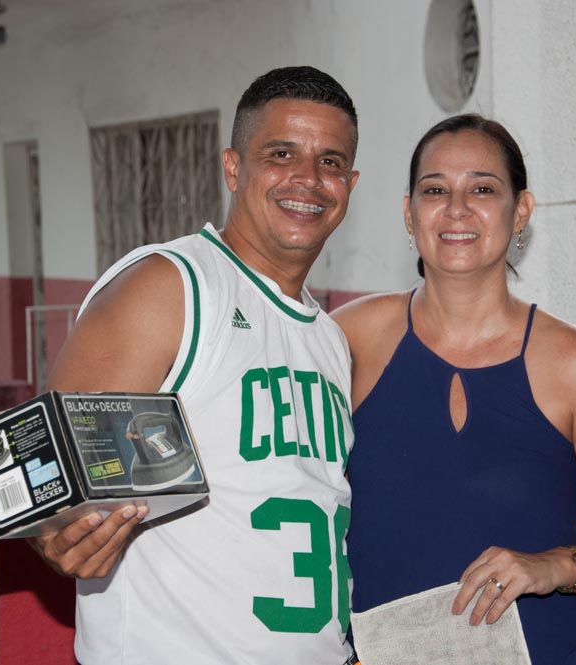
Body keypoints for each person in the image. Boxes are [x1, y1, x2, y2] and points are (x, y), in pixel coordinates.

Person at [31, 66, 361, 665]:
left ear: (351, 184)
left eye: (331, 162)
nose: (309, 179)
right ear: (233, 167)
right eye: (281, 154)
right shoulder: (172, 286)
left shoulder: (330, 340)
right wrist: (60, 531)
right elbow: (48, 473)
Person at [334, 114, 576, 664]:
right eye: (435, 190)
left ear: (521, 211)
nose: (457, 208)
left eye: (483, 189)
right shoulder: (350, 339)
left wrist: (553, 566)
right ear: (410, 213)